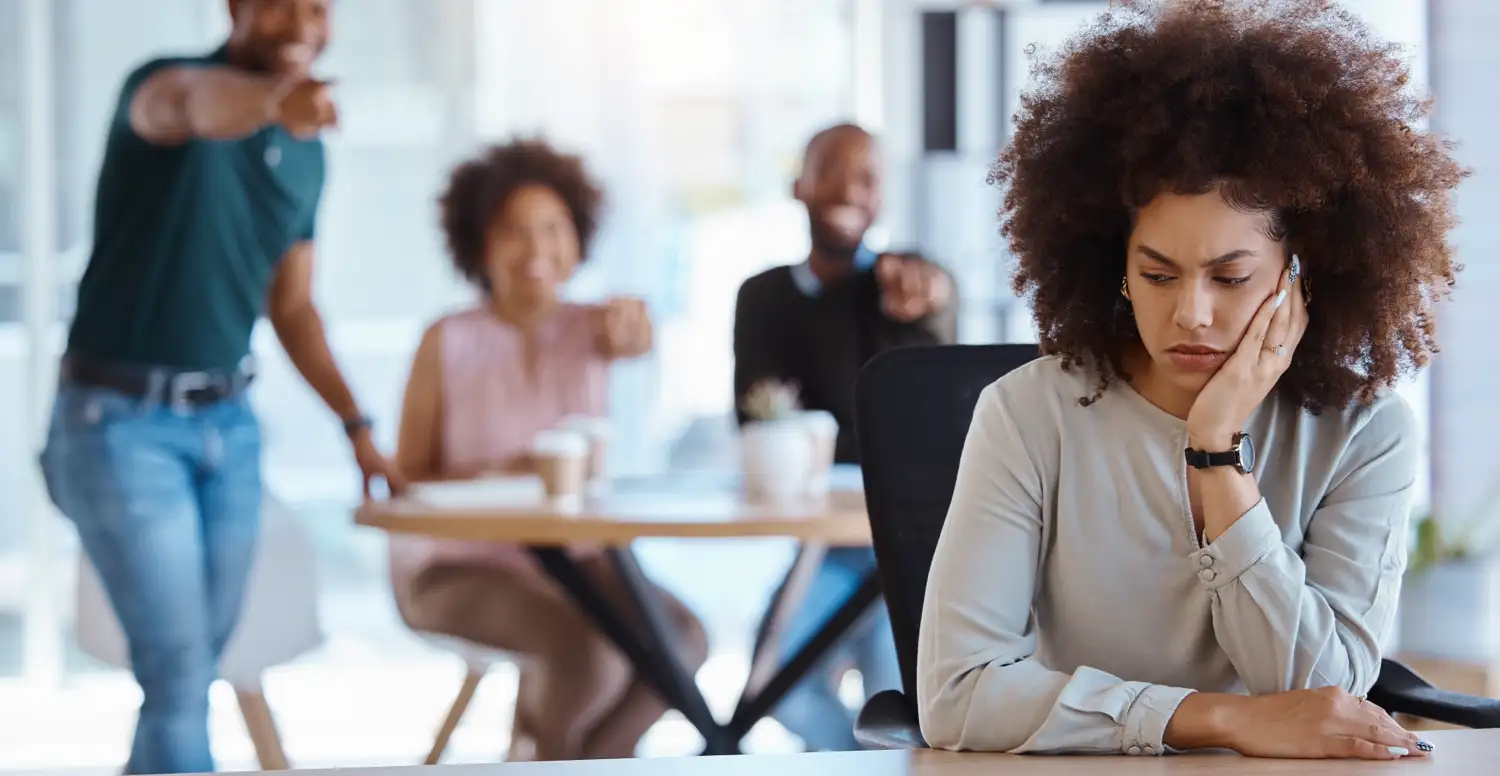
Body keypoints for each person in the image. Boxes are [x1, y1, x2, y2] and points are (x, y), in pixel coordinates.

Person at [917, 0, 1466, 761]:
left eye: (1231, 277)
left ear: (1299, 275)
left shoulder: (1366, 432)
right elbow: (957, 694)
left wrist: (1216, 452)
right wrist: (1218, 718)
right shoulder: (1028, 414)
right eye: (1158, 274)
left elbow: (1320, 683)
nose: (1192, 314)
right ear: (1118, 267)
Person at [38, 2, 403, 773]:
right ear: (236, 6)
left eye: (320, 6)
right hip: (118, 423)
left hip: (229, 424)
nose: (304, 20)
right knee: (177, 672)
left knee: (191, 667)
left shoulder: (307, 153)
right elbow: (194, 106)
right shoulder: (165, 88)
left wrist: (358, 427)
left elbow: (294, 307)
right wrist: (274, 102)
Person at [391, 138, 709, 762]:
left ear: (577, 239)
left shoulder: (592, 328)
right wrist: (494, 475)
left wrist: (637, 328)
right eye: (512, 230)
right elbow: (409, 477)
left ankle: (576, 765)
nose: (535, 248)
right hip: (457, 565)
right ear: (478, 244)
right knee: (587, 656)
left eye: (551, 228)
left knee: (684, 640)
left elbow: (634, 335)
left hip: (578, 557)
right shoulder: (446, 340)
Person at [732, 123, 956, 751]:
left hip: (906, 550)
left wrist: (929, 297)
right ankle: (854, 762)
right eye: (831, 168)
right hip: (823, 545)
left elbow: (929, 407)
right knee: (777, 681)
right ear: (798, 185)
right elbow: (758, 419)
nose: (849, 188)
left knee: (903, 702)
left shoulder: (907, 285)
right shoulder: (765, 296)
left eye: (868, 177)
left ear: (883, 198)